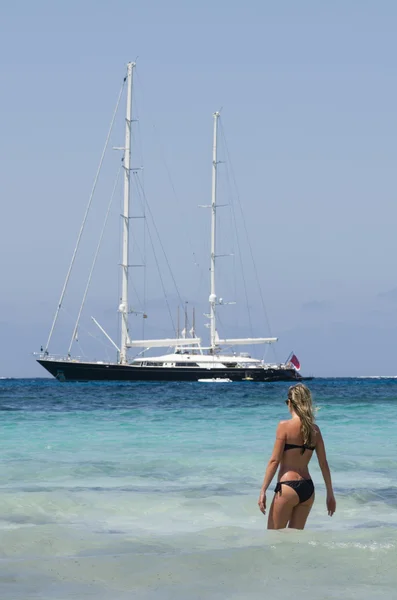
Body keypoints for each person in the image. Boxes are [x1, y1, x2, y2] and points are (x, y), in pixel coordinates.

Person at [258, 383, 336, 529]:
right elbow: (323, 464)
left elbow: (274, 461)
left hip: (288, 487)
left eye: (286, 402)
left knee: (275, 538)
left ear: (291, 403)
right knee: (295, 541)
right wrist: (330, 494)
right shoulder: (315, 430)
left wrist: (262, 491)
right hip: (308, 489)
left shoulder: (284, 426)